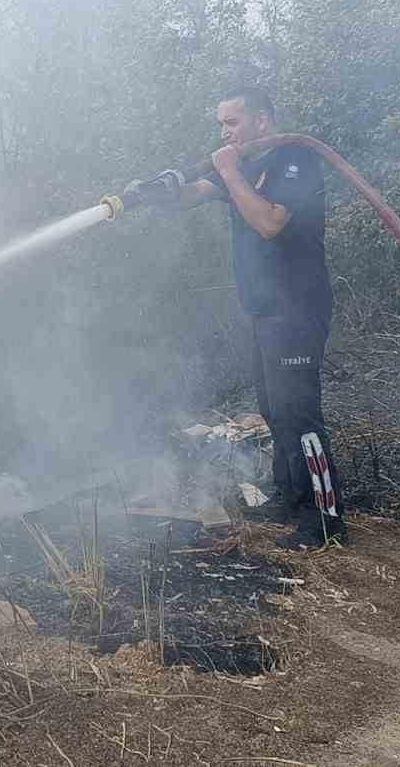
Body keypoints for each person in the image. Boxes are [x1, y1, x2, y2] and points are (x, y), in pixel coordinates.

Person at [128, 87, 346, 549]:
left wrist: (228, 169)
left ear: (261, 122)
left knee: (298, 413)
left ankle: (325, 520)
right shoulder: (243, 167)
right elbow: (194, 194)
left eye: (231, 123)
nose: (224, 132)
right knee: (273, 408)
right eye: (220, 125)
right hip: (265, 310)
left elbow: (268, 222)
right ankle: (289, 496)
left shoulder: (295, 161)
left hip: (297, 307)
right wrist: (149, 195)